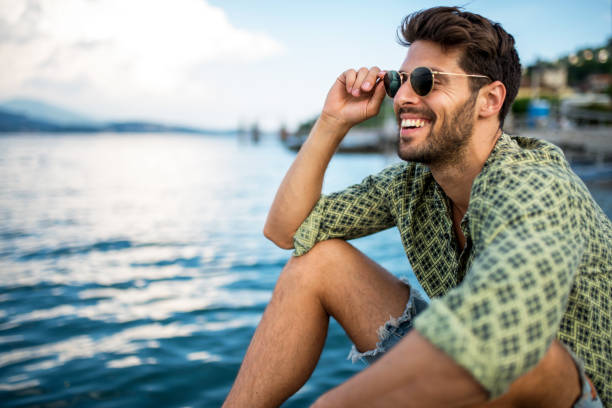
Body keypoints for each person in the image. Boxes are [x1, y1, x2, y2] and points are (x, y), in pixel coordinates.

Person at [223, 7, 611, 408]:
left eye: (426, 82)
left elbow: (502, 333)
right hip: (478, 367)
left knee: (534, 359)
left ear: (490, 99)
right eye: (398, 81)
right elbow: (286, 231)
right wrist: (331, 121)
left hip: (573, 394)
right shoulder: (413, 184)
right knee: (317, 263)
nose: (404, 97)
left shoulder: (533, 185)